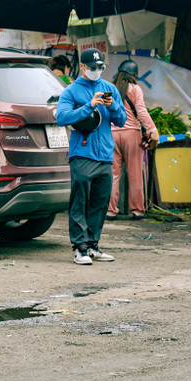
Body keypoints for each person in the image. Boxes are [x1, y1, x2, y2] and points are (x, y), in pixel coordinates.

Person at [54, 48, 127, 265]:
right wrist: (89, 106)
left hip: (105, 154)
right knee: (80, 202)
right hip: (82, 153)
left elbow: (122, 120)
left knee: (100, 202)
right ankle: (80, 248)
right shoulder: (71, 91)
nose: (97, 70)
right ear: (82, 67)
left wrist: (113, 106)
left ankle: (93, 245)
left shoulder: (110, 89)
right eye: (92, 67)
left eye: (100, 67)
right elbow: (62, 117)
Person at [107, 60, 159, 220]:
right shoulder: (135, 89)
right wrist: (152, 130)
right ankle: (137, 210)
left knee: (113, 175)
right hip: (131, 134)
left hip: (112, 134)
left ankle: (110, 211)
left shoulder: (110, 89)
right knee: (135, 174)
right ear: (134, 75)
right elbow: (141, 111)